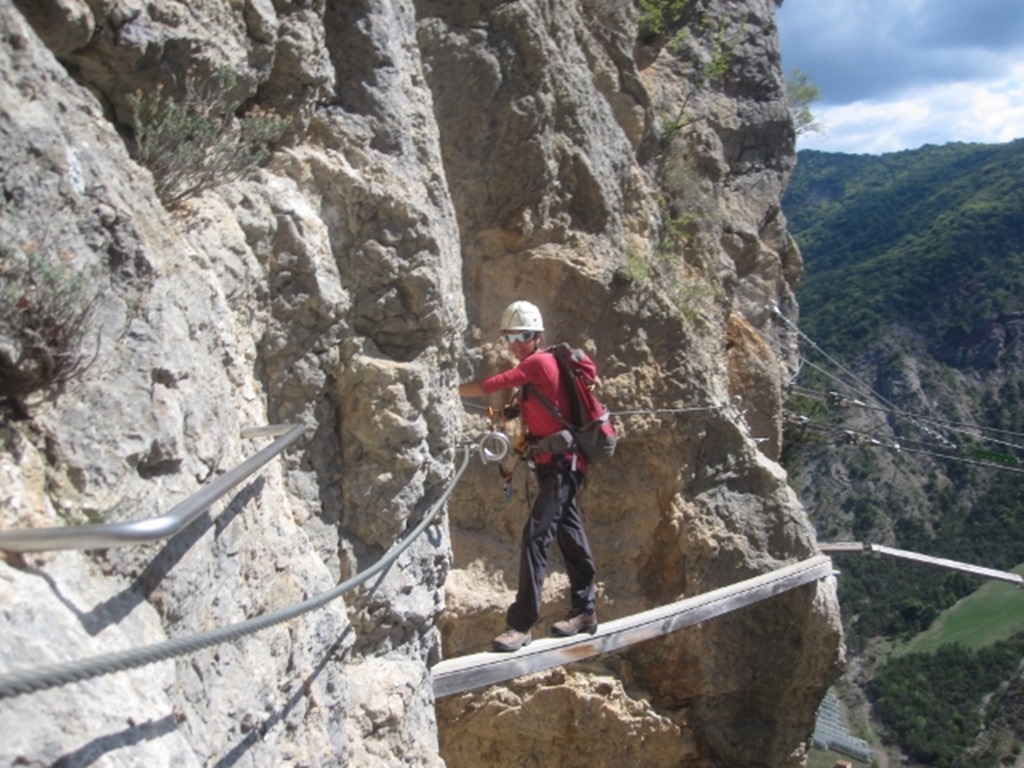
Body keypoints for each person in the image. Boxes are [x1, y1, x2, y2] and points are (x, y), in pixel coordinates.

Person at [458, 300, 598, 652]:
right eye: (510, 337)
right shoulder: (536, 368)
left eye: (524, 335)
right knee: (570, 535)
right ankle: (585, 611)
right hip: (555, 463)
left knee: (536, 534)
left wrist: (450, 387)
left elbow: (492, 383)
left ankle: (520, 625)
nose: (517, 343)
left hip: (563, 463)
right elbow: (522, 402)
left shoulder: (537, 362)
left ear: (538, 335)